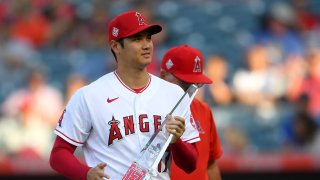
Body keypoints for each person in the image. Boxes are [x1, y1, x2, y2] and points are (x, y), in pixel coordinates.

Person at [49, 10, 200, 180]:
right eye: (137, 39)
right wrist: (86, 173)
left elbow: (191, 164)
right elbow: (58, 154)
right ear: (115, 46)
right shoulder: (89, 95)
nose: (146, 45)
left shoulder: (174, 93)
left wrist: (176, 141)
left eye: (148, 38)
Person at [160, 45, 223, 180]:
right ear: (163, 75)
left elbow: (211, 164)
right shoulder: (146, 108)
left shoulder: (203, 109)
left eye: (196, 84)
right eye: (184, 82)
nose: (191, 89)